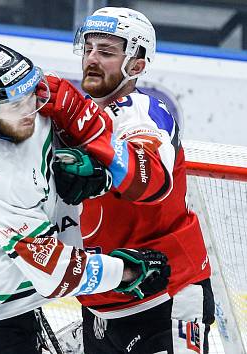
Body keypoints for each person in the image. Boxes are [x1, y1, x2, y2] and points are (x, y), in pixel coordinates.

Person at [0, 43, 171, 354]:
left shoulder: (26, 106)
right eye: (16, 105)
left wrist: (93, 169)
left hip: (12, 291)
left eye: (31, 96)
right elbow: (55, 273)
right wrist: (127, 273)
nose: (30, 110)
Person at [38, 7, 215, 354]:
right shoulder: (80, 121)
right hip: (102, 304)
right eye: (88, 48)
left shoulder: (144, 111)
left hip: (165, 297)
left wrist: (104, 174)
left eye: (106, 52)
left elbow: (153, 177)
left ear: (136, 63)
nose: (92, 58)